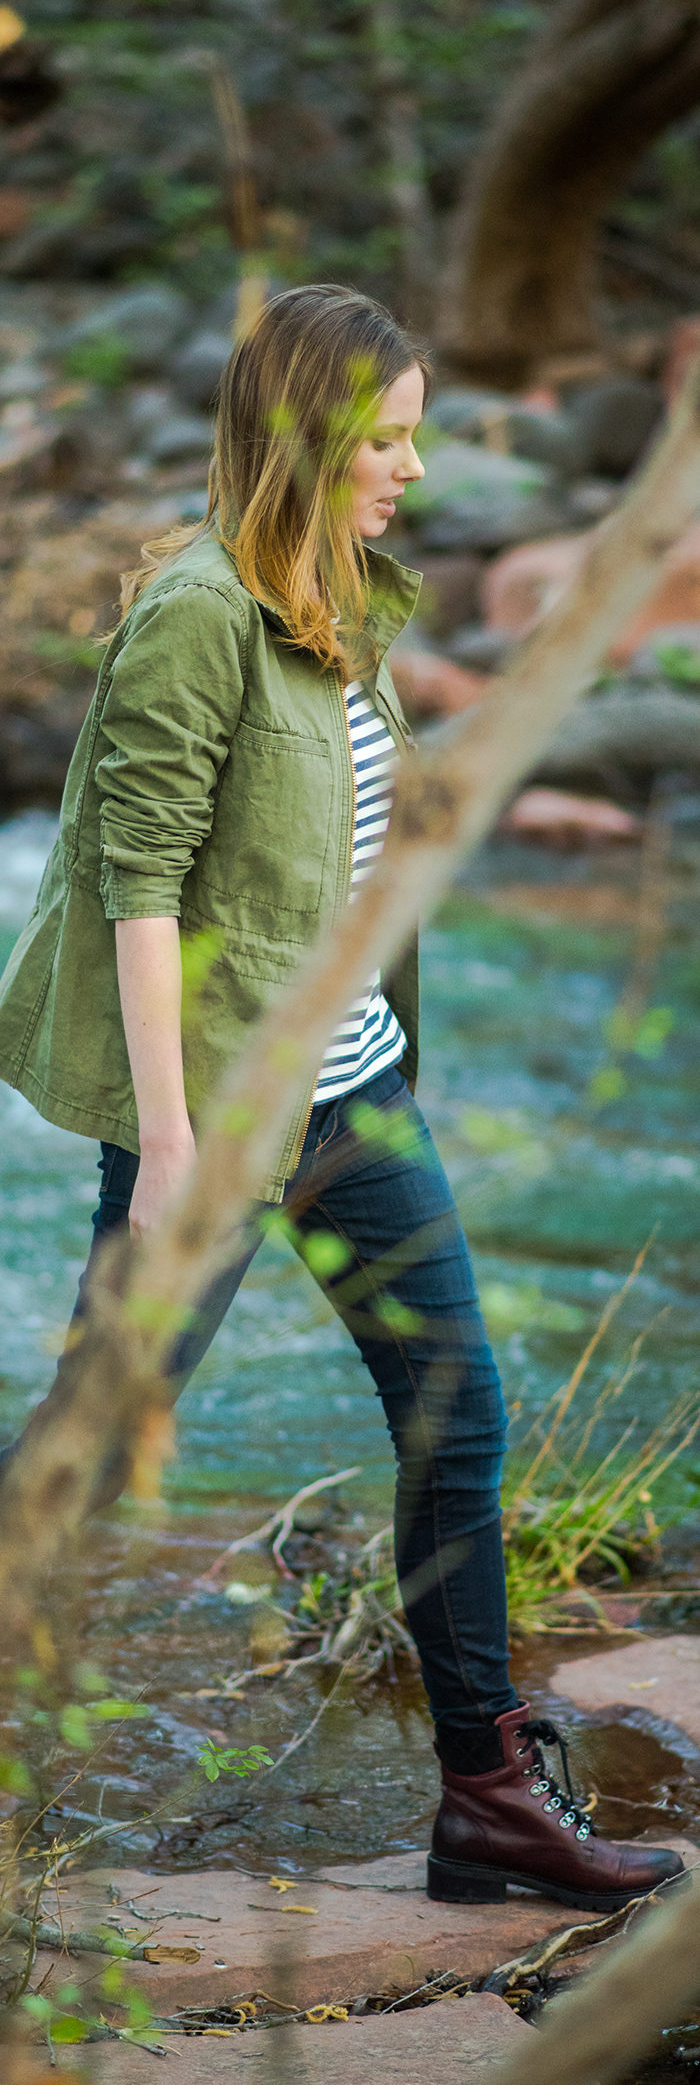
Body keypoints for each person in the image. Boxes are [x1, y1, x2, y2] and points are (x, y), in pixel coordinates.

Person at [0, 283, 682, 1910]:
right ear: (306, 442)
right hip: (221, 1124)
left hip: (359, 1100)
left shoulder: (343, 596)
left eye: (418, 435)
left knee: (457, 1422)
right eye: (384, 440)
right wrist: (168, 1144)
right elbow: (135, 877)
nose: (415, 469)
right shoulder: (197, 609)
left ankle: (489, 1802)